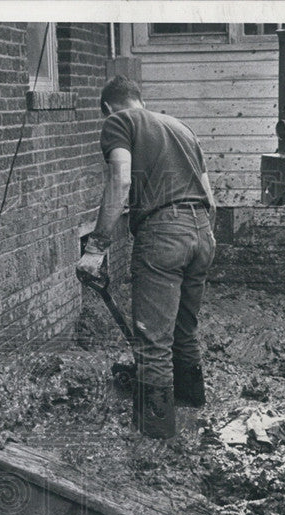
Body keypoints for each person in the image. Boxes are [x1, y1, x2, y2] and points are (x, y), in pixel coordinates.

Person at [76, 75, 217, 439]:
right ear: (140, 98)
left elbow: (121, 181)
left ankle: (155, 438)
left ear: (108, 107)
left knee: (152, 340)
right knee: (184, 329)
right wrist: (198, 234)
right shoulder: (182, 128)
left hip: (163, 232)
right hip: (202, 231)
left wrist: (96, 248)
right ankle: (191, 407)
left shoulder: (118, 123)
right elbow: (210, 196)